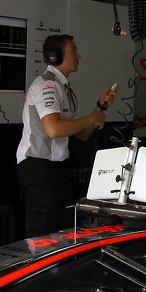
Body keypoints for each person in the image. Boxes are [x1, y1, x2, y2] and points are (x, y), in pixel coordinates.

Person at [16, 34, 116, 238]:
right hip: (38, 167)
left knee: (64, 232)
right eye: (73, 51)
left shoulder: (61, 87)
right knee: (42, 236)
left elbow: (82, 135)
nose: (79, 55)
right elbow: (54, 129)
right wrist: (91, 117)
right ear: (55, 56)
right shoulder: (47, 85)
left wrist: (99, 108)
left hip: (55, 169)